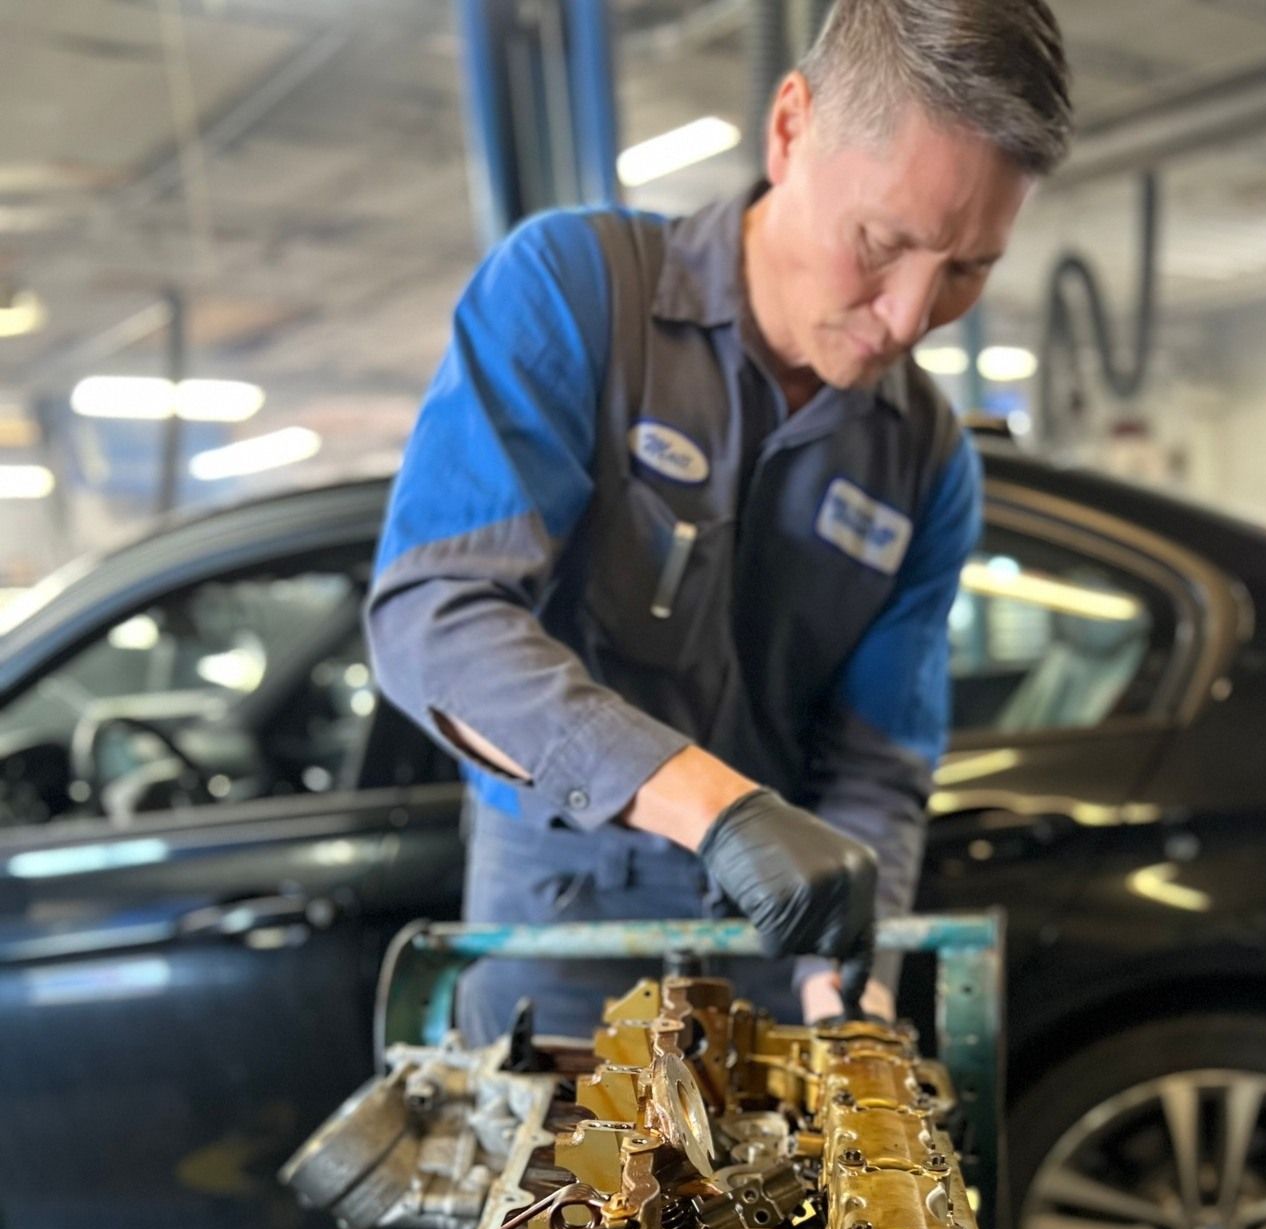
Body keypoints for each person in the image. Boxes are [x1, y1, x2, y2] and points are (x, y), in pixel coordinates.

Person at [367, 0, 1072, 1040]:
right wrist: (718, 810)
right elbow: (437, 620)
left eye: (969, 270)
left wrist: (851, 973)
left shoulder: (925, 460)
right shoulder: (575, 296)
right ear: (790, 128)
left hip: (776, 949)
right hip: (561, 935)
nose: (912, 317)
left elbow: (875, 760)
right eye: (883, 242)